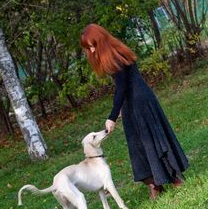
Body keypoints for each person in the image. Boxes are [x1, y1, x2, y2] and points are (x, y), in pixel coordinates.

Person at [80, 23, 189, 199]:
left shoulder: (115, 55)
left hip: (140, 100)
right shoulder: (115, 50)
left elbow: (121, 87)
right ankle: (155, 182)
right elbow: (124, 86)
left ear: (100, 40)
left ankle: (174, 177)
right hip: (133, 101)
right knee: (138, 143)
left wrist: (112, 117)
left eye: (92, 45)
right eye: (88, 47)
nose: (91, 51)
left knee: (152, 138)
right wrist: (124, 107)